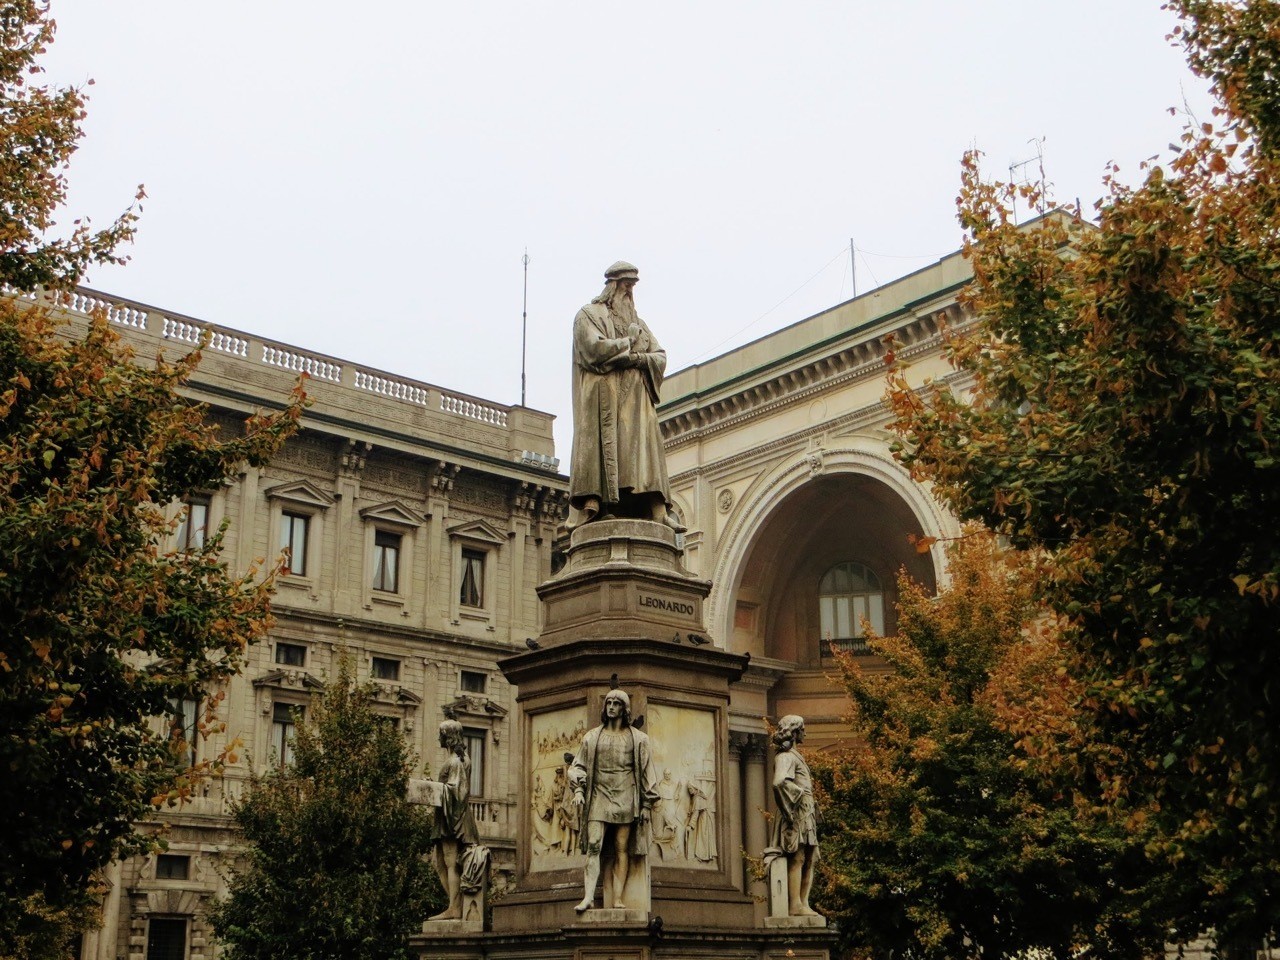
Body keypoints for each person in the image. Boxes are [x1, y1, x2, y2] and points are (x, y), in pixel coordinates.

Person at [568, 261, 680, 531]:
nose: (629, 293)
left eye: (632, 288)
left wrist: (637, 358)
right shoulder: (589, 315)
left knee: (642, 454)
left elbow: (659, 356)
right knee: (603, 449)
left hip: (635, 402)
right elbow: (591, 350)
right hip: (603, 400)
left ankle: (656, 508)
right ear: (613, 286)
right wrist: (627, 344)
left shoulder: (639, 324)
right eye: (626, 286)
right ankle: (599, 504)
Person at [568, 688, 659, 912]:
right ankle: (588, 896)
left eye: (616, 703)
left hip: (625, 797)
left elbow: (648, 772)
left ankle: (618, 897)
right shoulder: (591, 737)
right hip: (599, 795)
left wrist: (646, 804)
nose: (611, 707)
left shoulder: (639, 740)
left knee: (621, 848)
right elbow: (577, 766)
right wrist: (578, 790)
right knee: (593, 845)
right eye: (608, 702)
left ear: (624, 709)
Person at [427, 720, 480, 921]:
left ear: (448, 736)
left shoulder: (455, 762)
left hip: (452, 818)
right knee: (439, 863)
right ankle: (455, 904)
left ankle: (454, 908)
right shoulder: (459, 758)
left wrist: (434, 789)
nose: (438, 738)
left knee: (450, 863)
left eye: (441, 734)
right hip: (449, 816)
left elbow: (458, 791)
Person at [771, 715, 821, 917]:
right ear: (794, 731)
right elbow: (779, 782)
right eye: (802, 729)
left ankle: (803, 903)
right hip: (799, 811)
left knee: (811, 857)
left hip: (806, 811)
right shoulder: (786, 756)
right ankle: (795, 905)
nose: (805, 733)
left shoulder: (793, 755)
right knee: (798, 857)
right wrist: (798, 797)